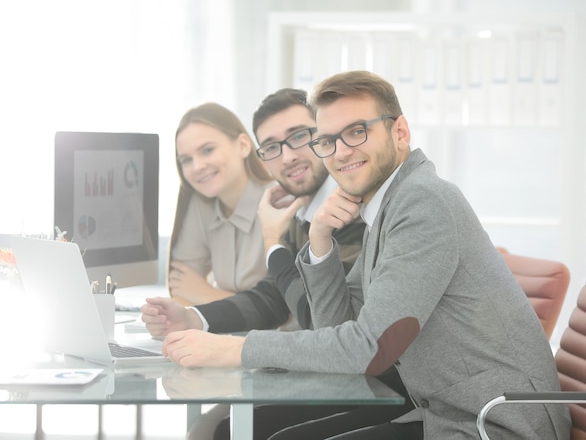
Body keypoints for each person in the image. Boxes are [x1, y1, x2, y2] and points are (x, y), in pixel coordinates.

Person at [158, 71, 571, 439]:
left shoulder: (423, 203)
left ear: (400, 133)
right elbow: (338, 325)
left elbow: (365, 349)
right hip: (445, 414)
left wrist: (235, 350)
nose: (340, 151)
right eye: (327, 140)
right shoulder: (384, 207)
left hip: (495, 423)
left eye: (357, 131)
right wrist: (320, 241)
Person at [143, 89, 371, 440]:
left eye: (299, 136)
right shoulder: (301, 210)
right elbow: (274, 297)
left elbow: (325, 321)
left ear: (324, 136)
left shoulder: (350, 208)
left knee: (226, 431)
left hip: (370, 384)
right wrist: (195, 317)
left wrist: (271, 244)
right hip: (331, 372)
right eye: (273, 147)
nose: (288, 156)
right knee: (215, 429)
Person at [167, 102, 273, 306]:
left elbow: (281, 311)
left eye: (207, 150)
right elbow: (181, 286)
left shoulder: (278, 201)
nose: (197, 166)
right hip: (228, 335)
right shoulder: (202, 205)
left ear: (243, 146)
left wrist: (209, 295)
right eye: (186, 160)